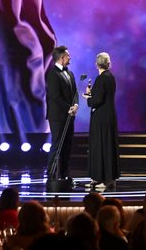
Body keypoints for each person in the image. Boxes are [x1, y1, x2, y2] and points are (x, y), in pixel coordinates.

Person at [83, 51, 120, 190]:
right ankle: (110, 178)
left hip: (101, 118)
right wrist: (93, 94)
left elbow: (97, 100)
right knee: (108, 146)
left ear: (96, 64)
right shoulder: (111, 77)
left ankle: (99, 178)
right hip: (109, 116)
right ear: (108, 63)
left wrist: (88, 97)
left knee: (100, 146)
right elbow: (103, 96)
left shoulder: (101, 79)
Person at [45, 45, 78, 179]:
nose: (70, 57)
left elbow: (75, 92)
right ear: (62, 58)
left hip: (69, 115)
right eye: (68, 55)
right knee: (58, 144)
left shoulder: (70, 73)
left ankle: (64, 173)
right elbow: (55, 96)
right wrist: (68, 108)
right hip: (58, 116)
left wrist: (75, 105)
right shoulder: (53, 74)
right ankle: (52, 173)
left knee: (68, 145)